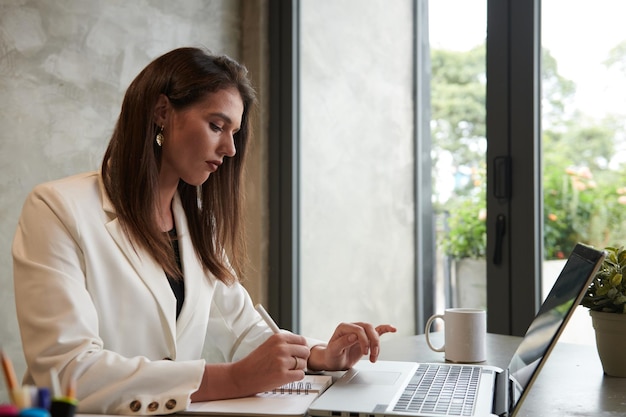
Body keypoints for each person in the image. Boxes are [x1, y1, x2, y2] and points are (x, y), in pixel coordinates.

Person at [12, 47, 396, 415]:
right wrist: (231, 379)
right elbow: (65, 371)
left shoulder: (197, 226)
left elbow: (244, 330)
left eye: (234, 133)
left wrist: (320, 356)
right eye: (217, 126)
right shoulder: (58, 209)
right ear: (162, 112)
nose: (230, 149)